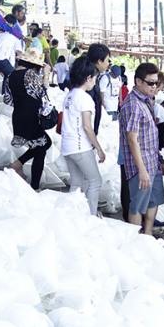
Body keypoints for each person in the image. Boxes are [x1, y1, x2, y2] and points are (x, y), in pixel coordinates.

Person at [119, 62, 164, 233]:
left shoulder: (146, 101)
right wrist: (141, 170)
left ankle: (147, 236)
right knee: (137, 206)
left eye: (156, 83)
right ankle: (135, 242)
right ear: (138, 81)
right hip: (141, 166)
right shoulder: (133, 104)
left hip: (152, 161)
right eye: (150, 83)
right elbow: (132, 139)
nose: (154, 87)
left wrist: (158, 159)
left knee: (153, 201)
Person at [60, 56, 105, 215]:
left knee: (76, 183)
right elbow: (87, 126)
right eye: (95, 78)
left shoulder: (70, 95)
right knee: (95, 181)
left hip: (67, 146)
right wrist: (99, 149)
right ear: (88, 78)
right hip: (80, 147)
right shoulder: (85, 98)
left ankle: (72, 215)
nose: (95, 81)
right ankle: (91, 216)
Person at [9, 47, 54, 190]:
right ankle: (31, 183)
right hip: (31, 117)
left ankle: (20, 168)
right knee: (43, 146)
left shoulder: (11, 75)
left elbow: (7, 99)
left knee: (42, 146)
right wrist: (46, 76)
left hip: (18, 115)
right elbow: (42, 93)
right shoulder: (29, 74)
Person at [0, 14, 22, 101]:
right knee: (12, 75)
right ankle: (6, 96)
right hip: (2, 59)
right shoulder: (15, 37)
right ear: (13, 25)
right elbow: (19, 52)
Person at [88, 43, 110, 135]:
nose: (108, 64)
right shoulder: (88, 81)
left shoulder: (94, 76)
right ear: (99, 61)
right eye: (107, 60)